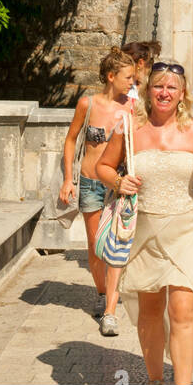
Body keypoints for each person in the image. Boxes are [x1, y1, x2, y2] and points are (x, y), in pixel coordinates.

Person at [96, 60, 193, 385]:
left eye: (172, 88)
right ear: (149, 91)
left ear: (182, 94)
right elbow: (104, 167)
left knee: (182, 310)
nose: (164, 93)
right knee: (150, 312)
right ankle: (155, 380)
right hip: (143, 232)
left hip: (185, 232)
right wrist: (118, 182)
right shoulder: (129, 128)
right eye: (158, 86)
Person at [58, 47, 136, 334]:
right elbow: (70, 140)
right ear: (111, 76)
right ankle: (104, 293)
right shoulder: (87, 104)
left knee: (114, 246)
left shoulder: (132, 107)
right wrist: (69, 178)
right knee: (95, 247)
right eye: (128, 77)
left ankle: (110, 312)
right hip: (90, 182)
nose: (133, 83)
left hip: (118, 184)